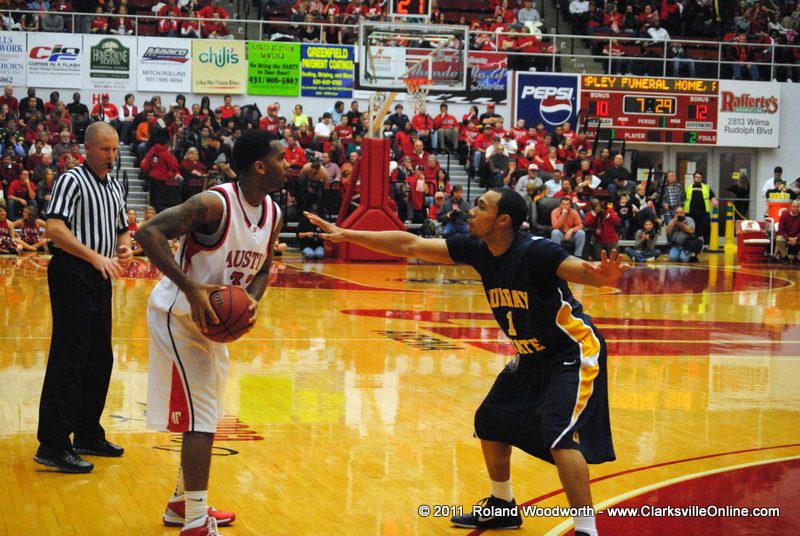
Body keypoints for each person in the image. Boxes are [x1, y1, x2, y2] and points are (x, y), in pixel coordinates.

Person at [304, 188, 624, 536]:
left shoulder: (536, 250)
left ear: (503, 220)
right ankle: (502, 506)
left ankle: (587, 530)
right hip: (532, 355)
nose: (471, 211)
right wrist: (346, 234)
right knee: (490, 420)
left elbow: (582, 271)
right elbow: (410, 244)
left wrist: (600, 276)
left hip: (571, 350)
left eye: (481, 207)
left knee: (557, 432)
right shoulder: (479, 249)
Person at [136, 129, 287, 536]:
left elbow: (264, 267)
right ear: (260, 166)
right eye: (281, 158)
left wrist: (252, 299)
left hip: (214, 324)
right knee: (201, 418)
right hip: (178, 315)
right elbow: (148, 233)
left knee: (209, 412)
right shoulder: (214, 203)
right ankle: (197, 521)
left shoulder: (274, 212)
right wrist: (190, 287)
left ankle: (182, 504)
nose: (287, 164)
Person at [34, 122, 132, 474]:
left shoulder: (115, 186)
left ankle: (88, 433)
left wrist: (124, 248)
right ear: (86, 148)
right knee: (71, 357)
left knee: (99, 357)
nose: (111, 155)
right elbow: (54, 229)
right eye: (105, 149)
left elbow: (122, 229)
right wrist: (94, 256)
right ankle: (53, 444)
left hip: (100, 273)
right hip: (72, 271)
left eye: (115, 149)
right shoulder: (71, 180)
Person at [684, 171, 717, 247]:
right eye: (696, 177)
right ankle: (693, 244)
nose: (698, 179)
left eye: (699, 177)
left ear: (701, 179)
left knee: (706, 227)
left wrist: (714, 201)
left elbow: (712, 196)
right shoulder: (688, 187)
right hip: (690, 212)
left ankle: (706, 244)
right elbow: (683, 198)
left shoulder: (706, 187)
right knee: (692, 228)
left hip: (704, 212)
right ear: (693, 178)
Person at [774, 199, 800, 264]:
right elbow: (781, 229)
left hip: (797, 236)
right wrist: (789, 238)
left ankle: (798, 258)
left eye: (797, 207)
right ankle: (784, 257)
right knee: (779, 239)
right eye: (794, 207)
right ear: (790, 207)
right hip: (786, 236)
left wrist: (796, 238)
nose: (795, 208)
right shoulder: (784, 215)